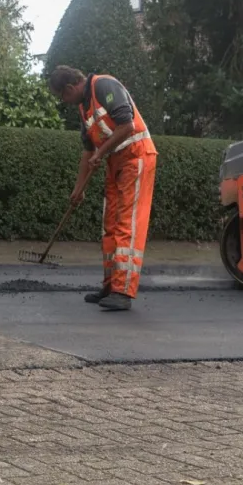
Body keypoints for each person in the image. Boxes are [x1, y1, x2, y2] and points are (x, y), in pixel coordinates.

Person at [49, 66, 157, 312]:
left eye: (62, 96)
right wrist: (79, 188)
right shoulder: (83, 108)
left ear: (69, 88)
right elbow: (88, 152)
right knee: (110, 224)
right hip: (115, 162)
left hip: (137, 158)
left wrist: (102, 151)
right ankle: (110, 285)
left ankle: (123, 291)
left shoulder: (104, 85)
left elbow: (127, 125)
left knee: (127, 224)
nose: (63, 101)